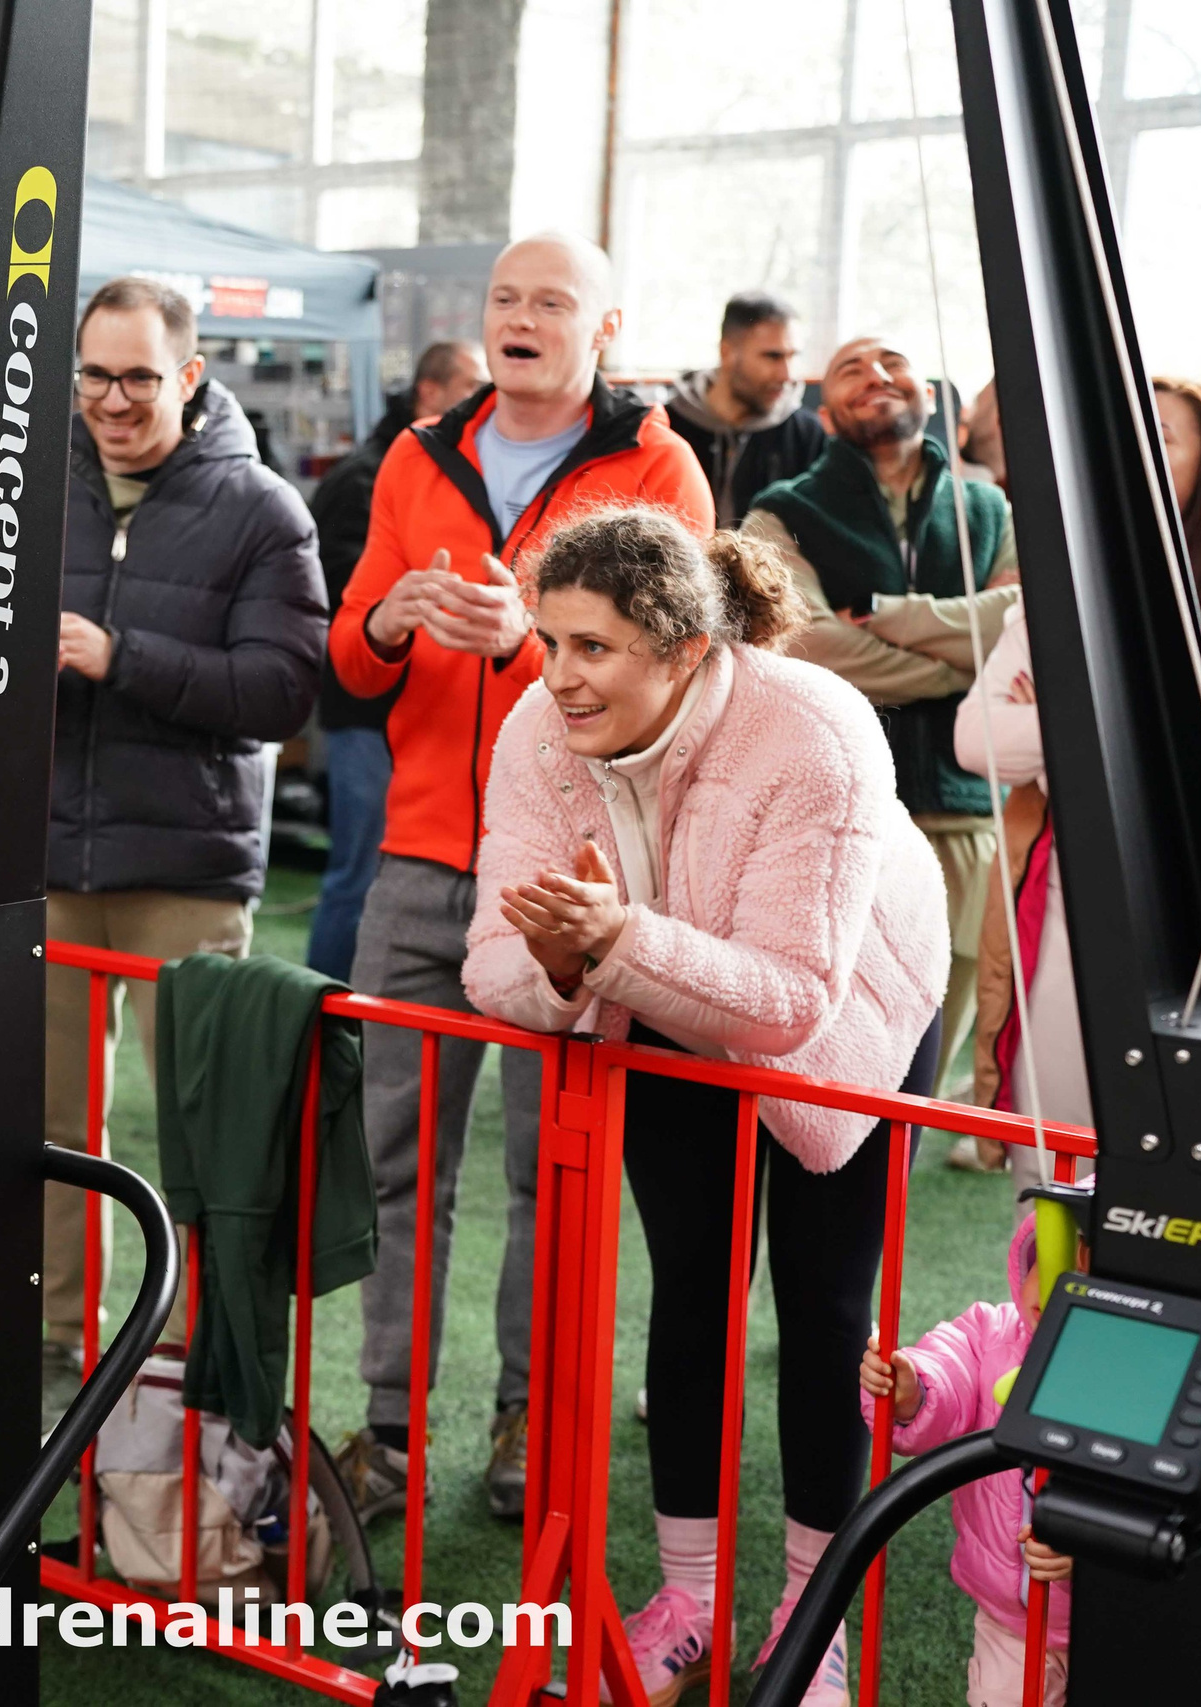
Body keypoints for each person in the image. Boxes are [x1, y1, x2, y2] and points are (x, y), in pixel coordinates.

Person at [466, 507, 947, 1706]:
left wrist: (613, 941)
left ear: (681, 648)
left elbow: (792, 1000)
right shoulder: (533, 731)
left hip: (854, 1019)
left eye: (592, 647)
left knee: (826, 1315)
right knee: (691, 1290)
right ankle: (687, 1600)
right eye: (547, 640)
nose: (557, 676)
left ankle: (812, 1615)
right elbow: (492, 969)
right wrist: (576, 965)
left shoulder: (816, 728)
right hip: (660, 1009)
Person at [328, 233, 713, 1524]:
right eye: (506, 297)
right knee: (395, 1161)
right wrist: (389, 621)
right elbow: (351, 651)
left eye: (553, 299)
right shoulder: (415, 453)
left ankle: (524, 1417)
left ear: (608, 326)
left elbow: (677, 675)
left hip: (575, 875)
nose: (522, 317)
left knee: (555, 1170)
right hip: (423, 859)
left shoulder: (660, 466)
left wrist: (529, 644)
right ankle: (386, 1428)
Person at [44, 275, 327, 1427]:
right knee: (46, 1129)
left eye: (138, 378)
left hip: (186, 867)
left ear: (191, 376)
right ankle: (48, 1338)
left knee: (198, 1135)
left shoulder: (262, 509)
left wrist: (124, 659)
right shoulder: (23, 493)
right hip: (47, 859)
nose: (114, 401)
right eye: (96, 376)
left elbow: (284, 690)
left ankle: (177, 1368)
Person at [962, 379, 1201, 1188]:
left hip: (1200, 908)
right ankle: (1040, 1318)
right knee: (1048, 1165)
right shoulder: (1075, 562)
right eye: (1123, 435)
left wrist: (1059, 724)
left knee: (1171, 1172)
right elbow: (974, 736)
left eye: (1164, 436)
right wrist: (1112, 739)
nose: (1138, 455)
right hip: (1058, 890)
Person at [743, 336, 1019, 1172]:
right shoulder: (781, 511)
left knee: (927, 1052)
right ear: (825, 412)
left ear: (932, 396)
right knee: (825, 1038)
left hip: (968, 810)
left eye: (891, 363)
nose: (876, 377)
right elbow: (806, 644)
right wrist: (954, 661)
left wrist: (894, 617)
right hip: (834, 814)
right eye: (852, 369)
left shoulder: (989, 511)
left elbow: (1020, 627)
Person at [303, 340, 488, 982]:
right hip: (365, 712)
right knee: (359, 874)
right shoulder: (370, 475)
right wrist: (396, 609)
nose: (489, 396)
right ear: (431, 393)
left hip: (420, 713)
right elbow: (337, 597)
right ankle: (324, 1029)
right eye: (473, 382)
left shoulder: (457, 470)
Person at [858, 1212, 1077, 1706]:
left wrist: (1094, 1553)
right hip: (1010, 1623)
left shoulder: (1141, 1372)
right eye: (1048, 1258)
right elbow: (950, 1368)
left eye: (1088, 1270)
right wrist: (912, 1389)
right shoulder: (991, 1333)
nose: (1059, 1282)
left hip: (1117, 1615)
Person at [662, 291, 829, 529]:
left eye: (793, 357)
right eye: (773, 356)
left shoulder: (808, 435)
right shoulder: (666, 426)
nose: (788, 375)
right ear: (727, 352)